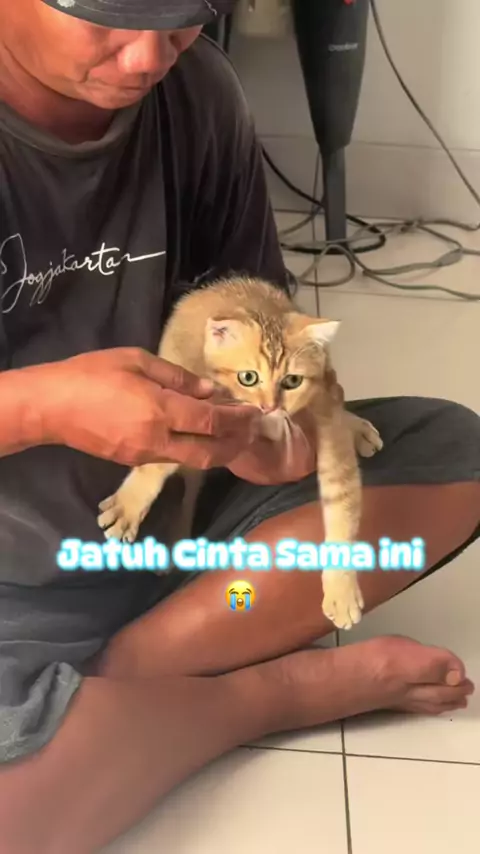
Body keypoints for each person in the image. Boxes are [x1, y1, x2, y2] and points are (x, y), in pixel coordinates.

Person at [0, 1, 478, 851]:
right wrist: (45, 407)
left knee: (450, 459)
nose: (148, 57)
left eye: (185, 14)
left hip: (182, 543)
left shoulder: (197, 93)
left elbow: (268, 329)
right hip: (12, 583)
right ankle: (263, 694)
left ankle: (122, 680)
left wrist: (272, 438)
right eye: (107, 13)